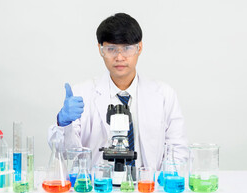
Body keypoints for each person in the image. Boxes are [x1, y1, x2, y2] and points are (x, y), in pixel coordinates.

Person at [48, 13, 188, 171]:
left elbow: (178, 150)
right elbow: (65, 152)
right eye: (111, 49)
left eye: (127, 48)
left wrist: (161, 183)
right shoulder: (81, 93)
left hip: (148, 189)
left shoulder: (164, 95)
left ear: (139, 48)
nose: (120, 57)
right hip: (97, 189)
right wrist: (63, 124)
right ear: (101, 50)